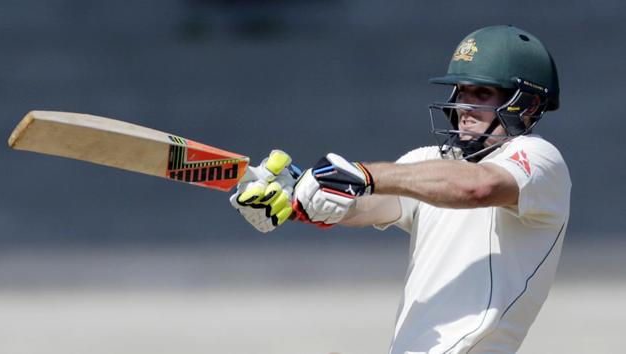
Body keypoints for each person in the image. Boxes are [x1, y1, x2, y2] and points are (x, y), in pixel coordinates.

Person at [231, 25, 571, 354]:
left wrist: (363, 175)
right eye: (462, 92)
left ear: (525, 106)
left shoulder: (540, 159)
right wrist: (296, 200)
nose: (464, 107)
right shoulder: (428, 163)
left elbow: (478, 188)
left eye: (481, 94)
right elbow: (366, 204)